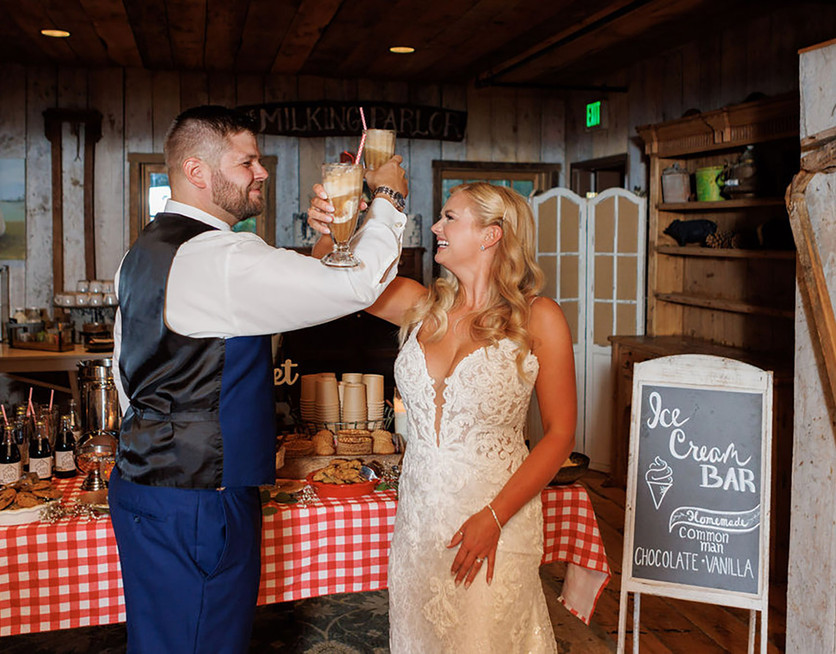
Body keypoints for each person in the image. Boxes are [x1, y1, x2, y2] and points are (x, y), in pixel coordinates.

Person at [109, 105, 408, 654]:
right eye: (246, 162)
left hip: (142, 485)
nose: (261, 171)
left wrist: (332, 236)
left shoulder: (142, 251)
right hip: (201, 497)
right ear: (197, 171)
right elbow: (357, 286)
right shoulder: (221, 256)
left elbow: (126, 376)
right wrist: (388, 200)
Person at [309, 181, 576, 653]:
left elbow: (560, 435)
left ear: (491, 234)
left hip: (497, 517)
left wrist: (494, 517)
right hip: (419, 525)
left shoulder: (539, 318)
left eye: (450, 217)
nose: (435, 227)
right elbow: (339, 283)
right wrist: (332, 227)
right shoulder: (420, 304)